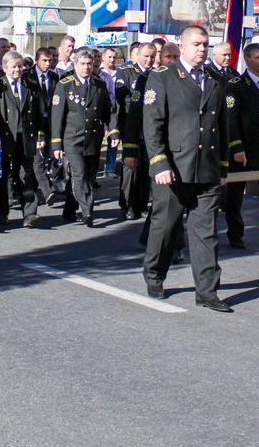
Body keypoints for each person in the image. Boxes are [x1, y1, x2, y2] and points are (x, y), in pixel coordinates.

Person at [142, 24, 236, 312]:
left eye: (206, 44)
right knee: (166, 227)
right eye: (196, 44)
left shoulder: (215, 80)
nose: (202, 49)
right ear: (181, 47)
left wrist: (222, 167)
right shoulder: (164, 78)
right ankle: (154, 274)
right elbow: (153, 123)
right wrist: (159, 162)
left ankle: (207, 291)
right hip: (174, 169)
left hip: (206, 168)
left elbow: (222, 126)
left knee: (206, 232)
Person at [225, 42, 259, 249]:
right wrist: (237, 148)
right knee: (235, 196)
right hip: (243, 151)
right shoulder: (235, 85)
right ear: (247, 60)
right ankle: (235, 235)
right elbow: (231, 120)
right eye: (258, 57)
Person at [50, 47, 111, 226]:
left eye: (89, 64)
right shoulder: (65, 84)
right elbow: (57, 116)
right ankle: (87, 211)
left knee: (88, 176)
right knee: (79, 174)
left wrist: (112, 129)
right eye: (82, 64)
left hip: (92, 138)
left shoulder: (99, 84)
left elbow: (107, 110)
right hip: (72, 139)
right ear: (75, 65)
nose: (86, 67)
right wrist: (56, 144)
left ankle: (69, 209)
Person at [0, 51, 43, 228]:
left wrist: (40, 134)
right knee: (0, 177)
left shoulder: (31, 85)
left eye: (20, 66)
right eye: (14, 67)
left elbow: (40, 113)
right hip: (3, 139)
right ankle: (2, 213)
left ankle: (30, 213)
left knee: (26, 175)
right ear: (4, 68)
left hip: (25, 137)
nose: (18, 70)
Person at [119, 42, 156, 219]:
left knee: (146, 170)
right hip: (130, 125)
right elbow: (123, 100)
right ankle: (126, 204)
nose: (149, 60)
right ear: (138, 55)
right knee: (130, 169)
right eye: (146, 56)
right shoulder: (126, 72)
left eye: (152, 56)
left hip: (148, 129)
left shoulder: (156, 75)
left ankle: (141, 204)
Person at [26, 47, 60, 206]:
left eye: (50, 60)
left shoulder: (54, 76)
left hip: (49, 122)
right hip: (33, 123)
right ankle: (47, 191)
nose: (48, 63)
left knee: (47, 155)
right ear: (36, 60)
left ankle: (32, 191)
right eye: (44, 60)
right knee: (37, 158)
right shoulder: (28, 77)